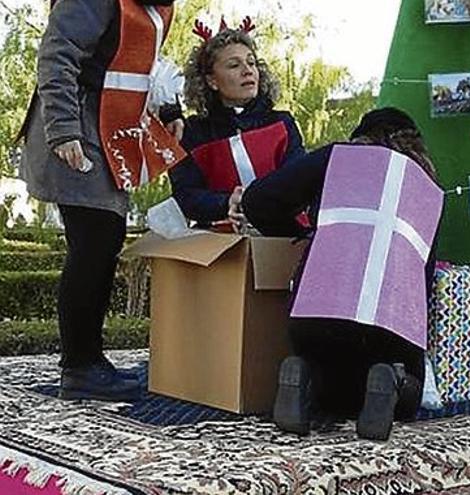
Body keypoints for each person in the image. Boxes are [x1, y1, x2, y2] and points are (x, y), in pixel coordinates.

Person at [17, 0, 184, 401]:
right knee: (96, 240)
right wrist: (62, 130)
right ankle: (80, 367)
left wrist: (168, 107)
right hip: (74, 128)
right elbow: (58, 54)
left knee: (100, 241)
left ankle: (87, 362)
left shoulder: (150, 6)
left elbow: (140, 61)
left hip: (104, 128)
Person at [241, 107, 442, 441]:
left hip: (317, 313)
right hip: (390, 324)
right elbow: (424, 278)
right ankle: (391, 377)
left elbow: (258, 200)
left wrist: (302, 233)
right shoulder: (430, 190)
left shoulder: (337, 157)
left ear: (360, 135)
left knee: (328, 380)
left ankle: (303, 371)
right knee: (409, 396)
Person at [169, 19, 306, 232]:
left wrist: (261, 201)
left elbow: (300, 181)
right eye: (234, 65)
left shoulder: (282, 123)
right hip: (218, 245)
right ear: (211, 81)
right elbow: (186, 195)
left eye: (251, 63)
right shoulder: (192, 133)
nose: (247, 70)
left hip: (284, 238)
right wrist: (226, 203)